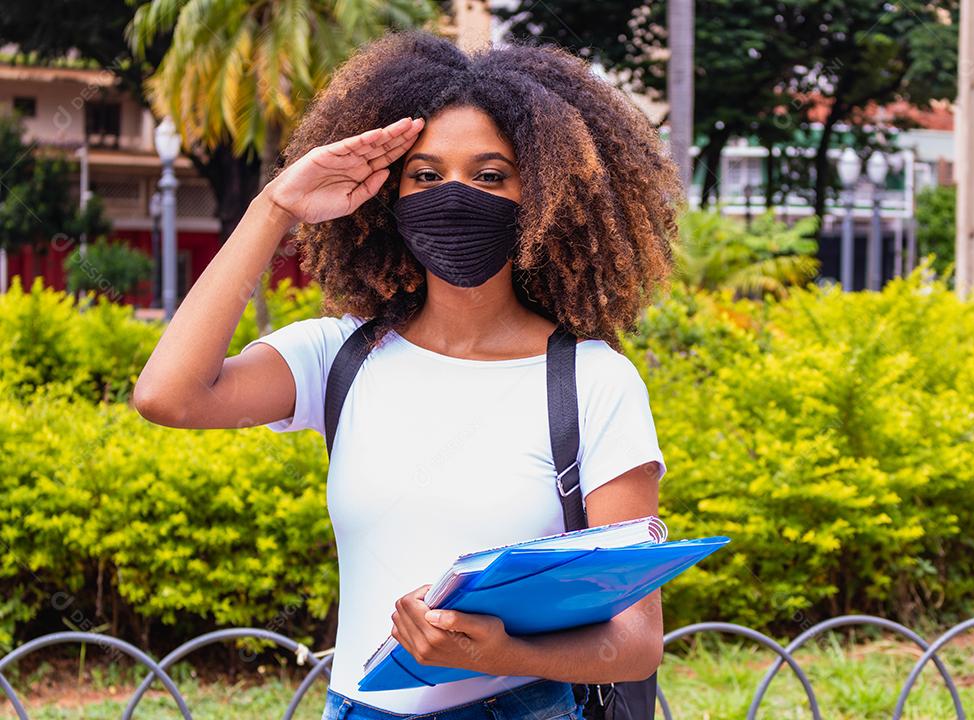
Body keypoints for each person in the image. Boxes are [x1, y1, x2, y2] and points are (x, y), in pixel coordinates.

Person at [133, 28, 683, 720]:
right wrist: (274, 206)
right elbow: (166, 395)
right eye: (425, 175)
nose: (454, 197)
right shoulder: (338, 356)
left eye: (490, 175)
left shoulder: (594, 382)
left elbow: (635, 643)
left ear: (542, 195)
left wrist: (497, 652)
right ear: (388, 195)